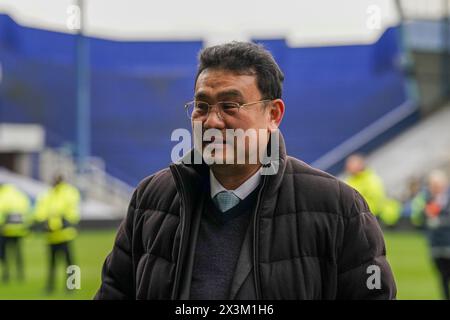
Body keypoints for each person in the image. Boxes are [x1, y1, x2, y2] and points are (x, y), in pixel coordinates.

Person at [95, 41, 396, 300]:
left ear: (273, 114)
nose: (212, 121)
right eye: (202, 106)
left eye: (230, 106)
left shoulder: (339, 209)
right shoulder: (150, 200)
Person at [33, 175, 80, 293]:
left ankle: (71, 286)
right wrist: (45, 222)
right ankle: (51, 287)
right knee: (53, 264)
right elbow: (41, 211)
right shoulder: (49, 194)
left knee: (69, 262)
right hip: (52, 236)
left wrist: (60, 221)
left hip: (64, 234)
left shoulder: (68, 192)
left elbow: (71, 211)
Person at [410, 170, 450, 300]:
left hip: (448, 243)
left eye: (438, 185)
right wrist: (424, 214)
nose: (435, 188)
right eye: (433, 185)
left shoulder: (447, 198)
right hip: (435, 245)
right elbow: (416, 218)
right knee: (442, 276)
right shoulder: (425, 198)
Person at [344, 154, 401, 227]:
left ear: (360, 165)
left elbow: (376, 202)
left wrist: (359, 209)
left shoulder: (371, 180)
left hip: (368, 218)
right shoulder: (350, 180)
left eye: (351, 164)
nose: (348, 166)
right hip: (354, 217)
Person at [0, 183, 31, 282]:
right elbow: (28, 211)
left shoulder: (2, 195)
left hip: (5, 229)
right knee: (18, 252)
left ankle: (6, 274)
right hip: (19, 229)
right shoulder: (20, 195)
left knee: (4, 253)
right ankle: (20, 274)